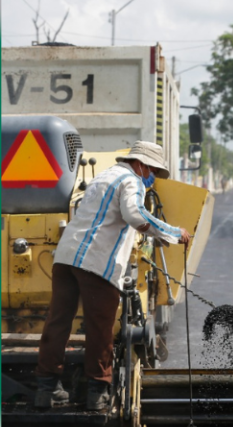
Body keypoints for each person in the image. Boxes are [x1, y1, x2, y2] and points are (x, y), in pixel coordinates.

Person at [35, 141, 190, 411]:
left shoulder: (103, 176)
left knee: (58, 321)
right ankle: (97, 391)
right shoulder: (132, 181)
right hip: (96, 262)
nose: (152, 175)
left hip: (66, 258)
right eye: (152, 169)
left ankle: (47, 388)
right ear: (141, 164)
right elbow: (135, 215)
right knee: (100, 327)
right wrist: (175, 233)